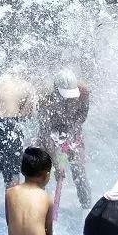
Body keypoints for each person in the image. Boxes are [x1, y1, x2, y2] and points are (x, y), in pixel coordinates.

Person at [36, 67, 92, 208]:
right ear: (56, 90)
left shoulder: (83, 92)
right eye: (64, 95)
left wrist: (71, 135)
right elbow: (46, 134)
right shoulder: (45, 98)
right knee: (40, 171)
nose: (68, 99)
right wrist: (56, 165)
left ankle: (86, 209)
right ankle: (37, 208)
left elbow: (81, 117)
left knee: (79, 173)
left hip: (72, 131)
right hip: (50, 133)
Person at [0, 73, 35, 204]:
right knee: (12, 172)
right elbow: (27, 114)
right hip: (10, 126)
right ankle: (11, 208)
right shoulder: (25, 86)